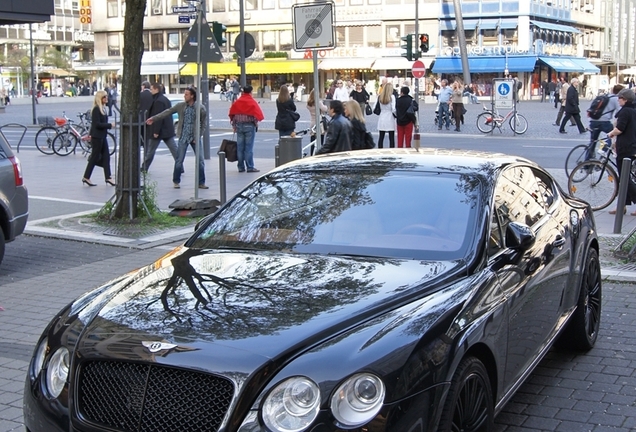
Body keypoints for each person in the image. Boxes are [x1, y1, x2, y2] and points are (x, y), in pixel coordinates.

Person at [146, 87, 208, 189]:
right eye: (184, 94)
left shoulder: (200, 108)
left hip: (194, 137)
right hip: (183, 136)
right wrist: (153, 119)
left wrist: (198, 136)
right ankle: (176, 180)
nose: (184, 96)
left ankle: (201, 182)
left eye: (187, 94)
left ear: (192, 96)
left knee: (200, 160)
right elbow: (167, 112)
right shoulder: (181, 106)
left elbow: (203, 123)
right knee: (179, 160)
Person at [607, 88, 636, 215]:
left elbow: (620, 129)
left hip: (625, 147)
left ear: (625, 99)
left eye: (619, 98)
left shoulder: (625, 112)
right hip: (632, 146)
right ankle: (622, 206)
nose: (618, 100)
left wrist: (610, 134)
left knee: (625, 179)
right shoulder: (633, 110)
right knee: (625, 178)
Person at [82, 91, 116, 187]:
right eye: (104, 97)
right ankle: (86, 177)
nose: (106, 98)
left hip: (102, 136)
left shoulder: (103, 109)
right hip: (97, 137)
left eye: (107, 96)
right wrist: (110, 125)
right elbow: (97, 124)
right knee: (94, 157)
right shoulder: (96, 109)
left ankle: (108, 177)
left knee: (106, 156)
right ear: (100, 98)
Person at [143, 83, 179, 172]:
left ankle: (144, 167)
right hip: (167, 130)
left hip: (160, 130)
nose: (150, 91)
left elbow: (158, 117)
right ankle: (180, 166)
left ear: (156, 89)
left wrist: (156, 131)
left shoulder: (158, 101)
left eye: (151, 89)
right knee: (174, 149)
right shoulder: (165, 99)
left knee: (150, 151)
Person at [229, 85, 265, 173]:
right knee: (248, 148)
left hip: (239, 126)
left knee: (240, 147)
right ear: (250, 92)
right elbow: (255, 115)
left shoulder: (238, 102)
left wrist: (234, 125)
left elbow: (233, 114)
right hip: (249, 126)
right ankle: (250, 166)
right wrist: (255, 123)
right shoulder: (251, 101)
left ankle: (241, 167)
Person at [586, 84, 624, 161]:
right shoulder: (616, 99)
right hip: (604, 122)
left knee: (592, 142)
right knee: (612, 134)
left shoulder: (606, 96)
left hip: (594, 120)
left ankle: (587, 162)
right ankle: (603, 149)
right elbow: (620, 112)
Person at [376, 82, 396, 148]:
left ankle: (380, 149)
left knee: (381, 137)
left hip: (382, 116)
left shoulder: (380, 97)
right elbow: (393, 109)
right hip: (390, 117)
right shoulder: (392, 97)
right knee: (391, 137)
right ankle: (392, 150)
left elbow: (375, 107)